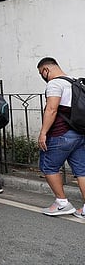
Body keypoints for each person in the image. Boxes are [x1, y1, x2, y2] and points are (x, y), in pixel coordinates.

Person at [36, 57, 85, 219]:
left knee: (48, 166)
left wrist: (43, 132)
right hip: (79, 133)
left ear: (46, 70)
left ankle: (62, 203)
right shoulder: (75, 82)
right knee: (81, 171)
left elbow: (51, 109)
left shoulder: (55, 84)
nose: (42, 76)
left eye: (41, 73)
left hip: (60, 134)